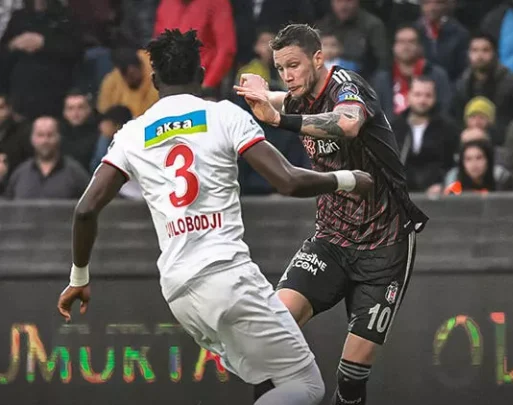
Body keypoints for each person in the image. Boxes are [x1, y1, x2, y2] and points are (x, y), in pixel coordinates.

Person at [56, 29, 375, 405]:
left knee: (273, 379)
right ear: (202, 73)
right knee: (306, 385)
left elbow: (85, 210)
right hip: (227, 277)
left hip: (179, 292)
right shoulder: (224, 116)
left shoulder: (132, 134)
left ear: (154, 80)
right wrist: (348, 179)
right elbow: (287, 181)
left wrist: (79, 278)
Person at [235, 23, 428, 405]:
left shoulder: (346, 85)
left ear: (318, 58)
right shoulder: (297, 96)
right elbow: (281, 99)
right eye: (280, 68)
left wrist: (277, 119)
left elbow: (348, 123)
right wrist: (260, 93)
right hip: (331, 240)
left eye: (294, 65)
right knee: (272, 336)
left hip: (384, 245)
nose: (288, 76)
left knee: (351, 376)